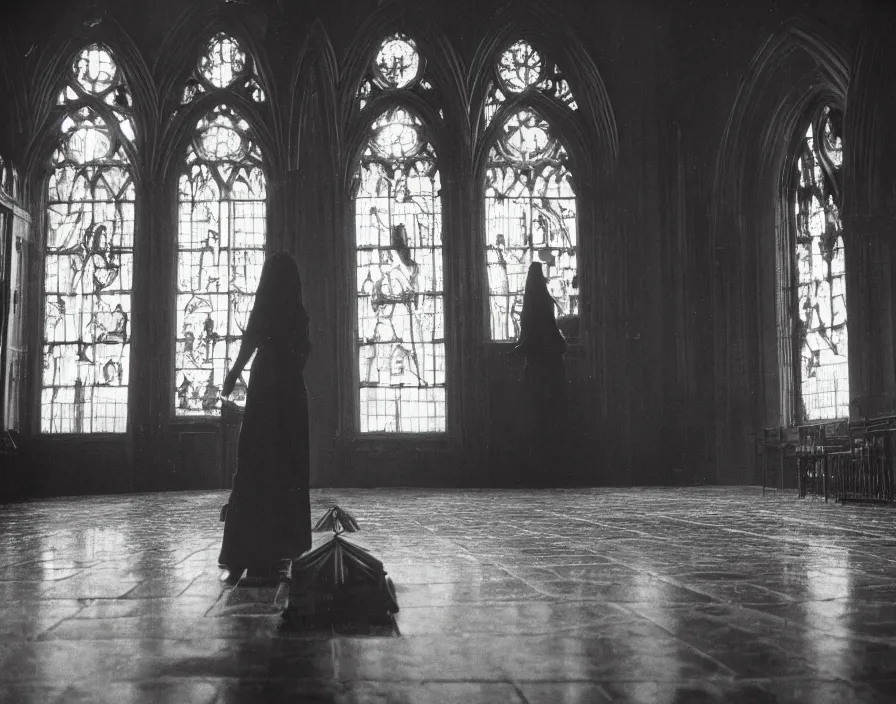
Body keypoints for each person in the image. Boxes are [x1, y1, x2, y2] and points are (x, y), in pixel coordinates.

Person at [218, 251, 312, 583]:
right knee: (288, 470)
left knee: (254, 467)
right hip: (289, 396)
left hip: (266, 389)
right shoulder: (298, 315)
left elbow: (250, 341)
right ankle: (282, 551)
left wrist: (233, 374)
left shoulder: (265, 312)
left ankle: (241, 553)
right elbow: (303, 353)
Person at [515, 262, 569, 481]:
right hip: (552, 365)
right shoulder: (546, 301)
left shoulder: (528, 304)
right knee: (553, 414)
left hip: (535, 365)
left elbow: (526, 336)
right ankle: (554, 465)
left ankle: (536, 467)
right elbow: (552, 331)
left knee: (535, 416)